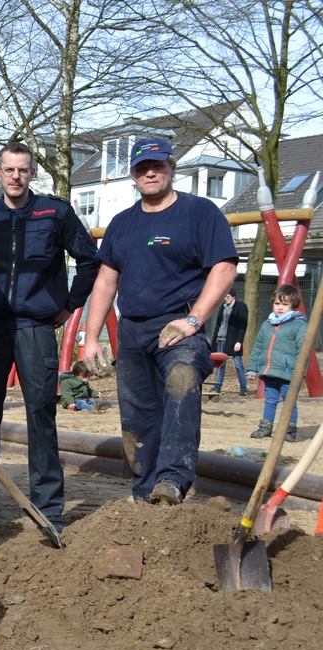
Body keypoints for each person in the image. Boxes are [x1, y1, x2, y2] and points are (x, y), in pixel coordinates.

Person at [82, 137, 238, 505]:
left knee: (182, 379)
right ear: (133, 176)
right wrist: (90, 338)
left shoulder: (201, 213)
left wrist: (193, 320)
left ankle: (172, 480)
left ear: (171, 167)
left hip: (179, 325)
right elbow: (106, 280)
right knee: (138, 415)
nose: (150, 173)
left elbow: (225, 267)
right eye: (141, 168)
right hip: (133, 330)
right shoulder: (122, 224)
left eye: (157, 165)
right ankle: (145, 492)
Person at [0, 141, 100, 535]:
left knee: (41, 414)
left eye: (22, 170)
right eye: (8, 170)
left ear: (33, 172)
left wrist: (70, 305)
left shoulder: (55, 213)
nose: (15, 176)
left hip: (37, 327)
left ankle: (47, 508)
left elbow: (90, 258)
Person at [246, 284, 307, 441]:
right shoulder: (267, 324)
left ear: (293, 305)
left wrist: (301, 373)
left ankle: (289, 430)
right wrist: (252, 369)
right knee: (270, 400)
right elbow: (258, 347)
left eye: (285, 304)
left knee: (289, 401)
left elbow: (304, 351)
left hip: (289, 373)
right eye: (277, 303)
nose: (280, 307)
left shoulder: (298, 325)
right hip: (270, 370)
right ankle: (265, 427)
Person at [211, 286, 249, 396]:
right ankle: (217, 387)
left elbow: (243, 326)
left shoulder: (241, 307)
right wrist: (215, 339)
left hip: (233, 340)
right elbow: (219, 324)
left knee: (238, 365)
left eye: (227, 296)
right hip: (221, 339)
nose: (225, 299)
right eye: (224, 297)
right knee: (220, 365)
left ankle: (243, 389)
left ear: (233, 297)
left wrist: (239, 341)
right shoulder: (223, 307)